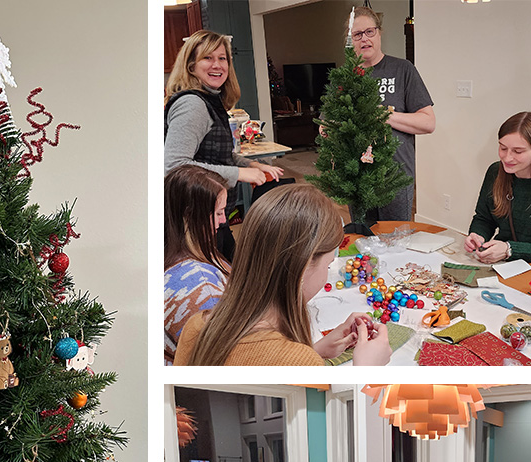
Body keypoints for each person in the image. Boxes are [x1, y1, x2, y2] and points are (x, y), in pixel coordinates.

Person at [173, 183, 392, 366]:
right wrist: (366, 372)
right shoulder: (299, 361)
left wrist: (317, 351)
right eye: (328, 265)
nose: (327, 273)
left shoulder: (197, 327)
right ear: (303, 267)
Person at [164, 30, 284, 260]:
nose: (217, 65)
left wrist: (251, 165)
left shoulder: (208, 100)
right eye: (207, 58)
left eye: (222, 58)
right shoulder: (193, 105)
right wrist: (239, 173)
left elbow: (214, 154)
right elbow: (175, 166)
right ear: (191, 66)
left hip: (212, 217)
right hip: (193, 223)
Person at [349, 6, 435, 222]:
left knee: (395, 240)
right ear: (351, 39)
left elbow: (428, 123)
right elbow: (326, 125)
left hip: (396, 175)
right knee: (361, 239)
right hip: (357, 175)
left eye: (369, 31)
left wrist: (384, 115)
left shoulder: (402, 69)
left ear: (379, 32)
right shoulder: (346, 77)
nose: (364, 39)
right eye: (357, 34)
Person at [165, 165, 230, 365]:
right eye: (218, 213)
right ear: (190, 216)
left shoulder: (174, 256)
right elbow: (224, 359)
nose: (224, 220)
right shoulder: (202, 289)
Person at [464, 112, 531, 263]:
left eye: (518, 151)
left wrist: (509, 249)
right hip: (503, 265)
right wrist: (478, 236)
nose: (507, 158)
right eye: (503, 148)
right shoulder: (495, 172)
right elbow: (484, 218)